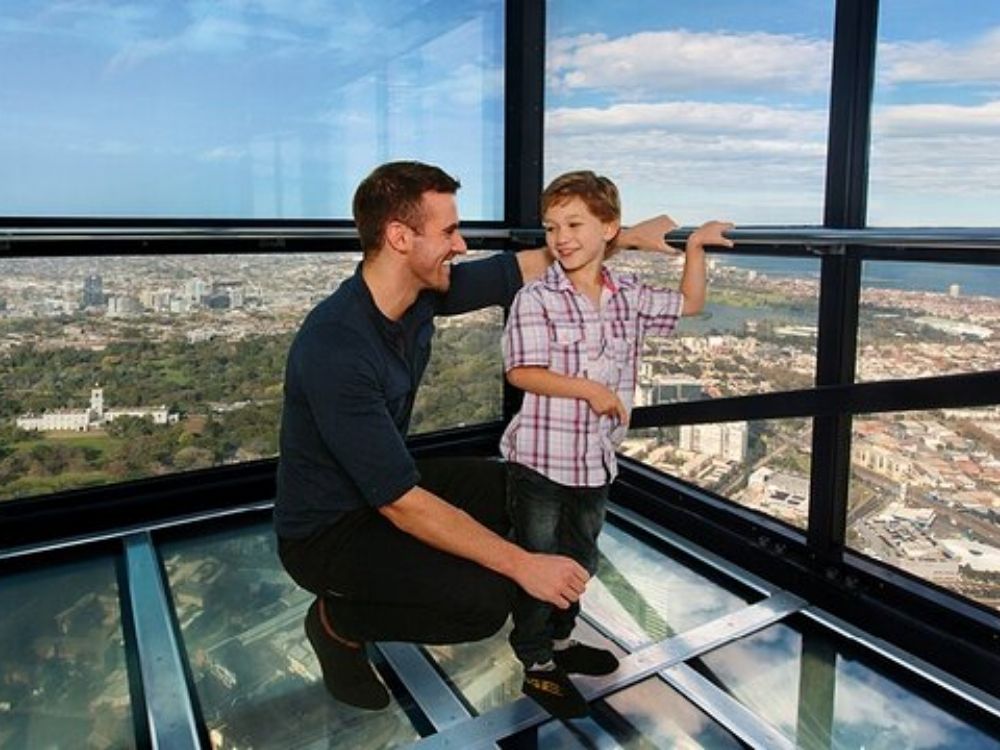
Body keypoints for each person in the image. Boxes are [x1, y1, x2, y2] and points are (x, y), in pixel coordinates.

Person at [273, 160, 676, 710]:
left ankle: (552, 642)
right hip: (328, 529)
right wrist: (523, 565)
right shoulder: (336, 347)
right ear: (399, 237)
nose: (460, 245)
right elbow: (401, 503)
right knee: (483, 602)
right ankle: (336, 622)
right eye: (447, 231)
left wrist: (622, 236)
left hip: (381, 489)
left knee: (526, 488)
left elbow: (525, 267)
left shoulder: (421, 292)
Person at [499, 170, 733, 718]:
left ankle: (561, 641)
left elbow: (689, 304)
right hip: (538, 461)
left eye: (575, 223)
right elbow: (521, 373)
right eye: (551, 226)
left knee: (580, 560)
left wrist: (694, 246)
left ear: (609, 228)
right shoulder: (536, 299)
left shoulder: (627, 296)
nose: (561, 237)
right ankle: (535, 662)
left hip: (595, 462)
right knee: (539, 566)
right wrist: (587, 388)